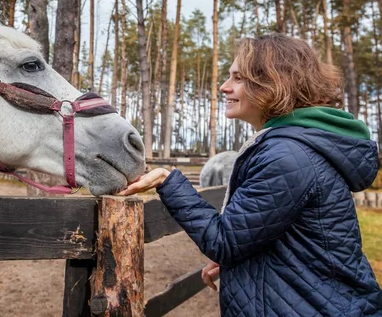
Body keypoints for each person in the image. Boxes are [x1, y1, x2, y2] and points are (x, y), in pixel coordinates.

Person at [120, 34, 382, 316]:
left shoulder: (287, 156)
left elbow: (224, 242)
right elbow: (291, 233)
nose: (224, 87)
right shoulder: (297, 147)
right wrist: (248, 264)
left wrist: (166, 180)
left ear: (274, 83)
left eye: (238, 78)